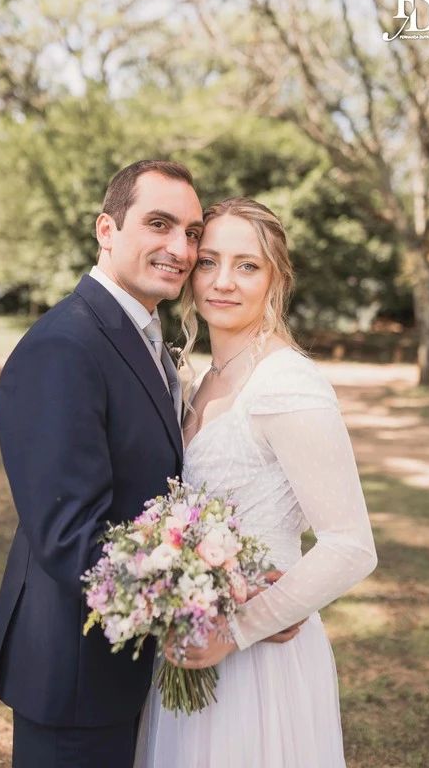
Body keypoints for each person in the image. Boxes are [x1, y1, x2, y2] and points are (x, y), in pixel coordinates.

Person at [134, 197, 378, 768]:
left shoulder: (286, 381)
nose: (223, 281)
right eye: (208, 262)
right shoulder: (199, 379)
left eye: (247, 265)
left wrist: (237, 631)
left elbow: (350, 545)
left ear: (276, 279)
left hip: (260, 660)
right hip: (189, 644)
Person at [0, 160, 205, 768]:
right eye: (159, 224)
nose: (180, 248)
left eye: (191, 232)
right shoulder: (65, 345)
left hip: (129, 663)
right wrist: (200, 597)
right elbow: (69, 536)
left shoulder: (143, 336)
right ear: (106, 230)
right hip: (75, 672)